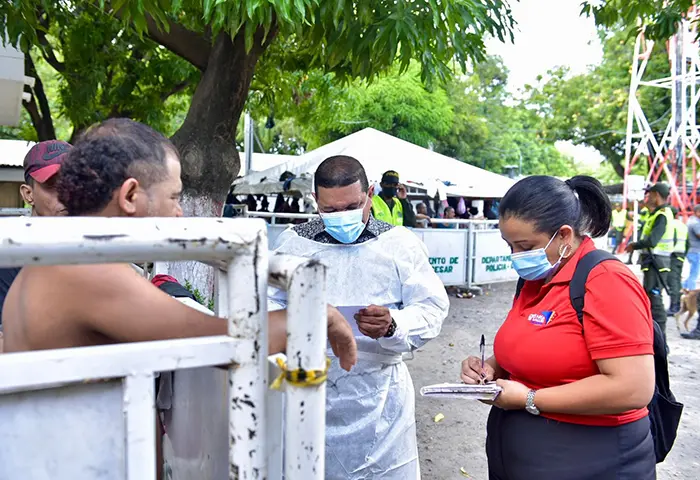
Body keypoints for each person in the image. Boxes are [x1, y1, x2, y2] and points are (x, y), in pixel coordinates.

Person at [2, 119, 357, 372]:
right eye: (173, 196)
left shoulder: (66, 256)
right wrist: (315, 314)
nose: (179, 212)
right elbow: (227, 342)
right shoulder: (85, 270)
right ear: (129, 196)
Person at [461, 175, 656, 480]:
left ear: (564, 235)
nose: (516, 257)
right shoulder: (537, 278)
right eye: (509, 245)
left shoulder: (606, 280)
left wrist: (529, 399)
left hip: (594, 461)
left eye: (525, 246)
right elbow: (536, 344)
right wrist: (491, 368)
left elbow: (633, 387)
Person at [269, 155, 449, 479]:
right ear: (315, 202)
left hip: (380, 395)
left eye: (352, 206)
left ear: (371, 194)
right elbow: (268, 306)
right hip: (310, 388)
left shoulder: (400, 245)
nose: (342, 218)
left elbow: (432, 307)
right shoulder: (293, 244)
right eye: (330, 211)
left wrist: (394, 324)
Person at [0, 140, 72, 328]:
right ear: (28, 194)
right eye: (52, 185)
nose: (66, 194)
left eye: (74, 183)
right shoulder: (9, 249)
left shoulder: (100, 246)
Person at [626, 183, 675, 340]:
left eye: (650, 195)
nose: (647, 198)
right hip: (654, 261)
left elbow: (653, 240)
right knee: (650, 296)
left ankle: (661, 340)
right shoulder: (658, 214)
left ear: (656, 195)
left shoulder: (662, 215)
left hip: (657, 262)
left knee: (655, 297)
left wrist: (635, 245)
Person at [667, 207, 688, 315]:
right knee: (677, 281)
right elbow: (687, 243)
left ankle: (674, 307)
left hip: (673, 255)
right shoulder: (682, 225)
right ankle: (677, 305)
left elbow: (672, 240)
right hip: (680, 256)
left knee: (672, 282)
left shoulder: (671, 224)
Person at [683, 204, 700, 293]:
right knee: (694, 274)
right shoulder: (696, 223)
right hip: (695, 251)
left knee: (692, 273)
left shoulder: (691, 221)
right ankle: (691, 293)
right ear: (697, 212)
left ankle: (684, 288)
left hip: (692, 250)